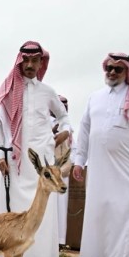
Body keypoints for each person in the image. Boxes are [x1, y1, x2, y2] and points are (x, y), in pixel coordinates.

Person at [0, 41, 70, 257]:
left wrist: (64, 132)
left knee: (40, 208)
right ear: (20, 61)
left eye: (35, 61)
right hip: (14, 159)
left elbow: (64, 118)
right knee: (12, 211)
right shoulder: (8, 89)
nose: (31, 65)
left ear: (41, 63)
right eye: (26, 60)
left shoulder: (47, 92)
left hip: (41, 161)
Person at [73, 53, 129, 257]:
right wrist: (79, 161)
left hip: (128, 168)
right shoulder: (95, 97)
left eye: (118, 69)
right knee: (97, 210)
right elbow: (85, 130)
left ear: (127, 72)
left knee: (124, 212)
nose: (111, 72)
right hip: (99, 166)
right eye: (108, 68)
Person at [52, 95, 72, 248]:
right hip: (48, 172)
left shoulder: (68, 127)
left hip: (62, 171)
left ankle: (59, 241)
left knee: (60, 207)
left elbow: (72, 149)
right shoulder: (44, 123)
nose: (63, 107)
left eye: (65, 105)